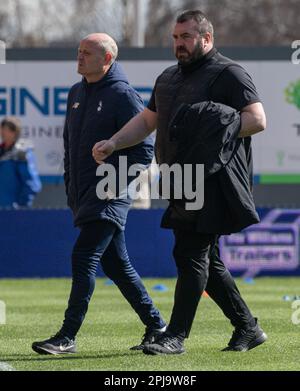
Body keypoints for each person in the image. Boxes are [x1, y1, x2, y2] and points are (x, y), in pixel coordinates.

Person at [92, 11, 268, 355]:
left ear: (206, 38)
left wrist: (219, 125)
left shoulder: (229, 73)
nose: (179, 44)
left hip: (214, 178)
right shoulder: (169, 77)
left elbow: (256, 119)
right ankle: (248, 327)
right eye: (175, 37)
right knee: (205, 258)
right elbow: (147, 121)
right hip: (179, 177)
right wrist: (114, 142)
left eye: (186, 37)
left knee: (190, 254)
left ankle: (176, 336)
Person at [32, 33, 166, 356]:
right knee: (117, 266)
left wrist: (114, 185)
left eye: (87, 53)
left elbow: (144, 150)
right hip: (84, 196)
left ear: (107, 59)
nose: (79, 58)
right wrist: (71, 187)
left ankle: (67, 335)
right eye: (78, 51)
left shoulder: (123, 94)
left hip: (110, 194)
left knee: (83, 257)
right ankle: (158, 326)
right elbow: (69, 145)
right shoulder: (76, 92)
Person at [0, 117, 41, 208]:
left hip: (14, 212)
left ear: (15, 132)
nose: (2, 133)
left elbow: (32, 184)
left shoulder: (22, 153)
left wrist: (20, 206)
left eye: (6, 130)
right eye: (1, 129)